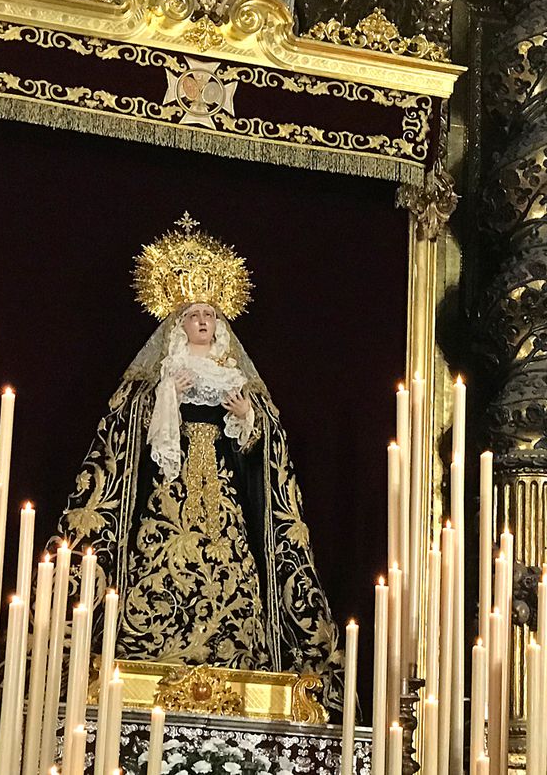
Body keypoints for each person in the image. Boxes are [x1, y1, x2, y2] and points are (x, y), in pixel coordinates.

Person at [55, 215, 342, 709]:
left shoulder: (237, 378)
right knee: (161, 568)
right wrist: (164, 398)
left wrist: (248, 418)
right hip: (169, 495)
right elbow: (125, 443)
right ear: (177, 324)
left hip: (223, 496)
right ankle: (149, 661)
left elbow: (267, 453)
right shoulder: (158, 376)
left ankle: (236, 663)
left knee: (236, 572)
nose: (204, 321)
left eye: (211, 313)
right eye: (193, 314)